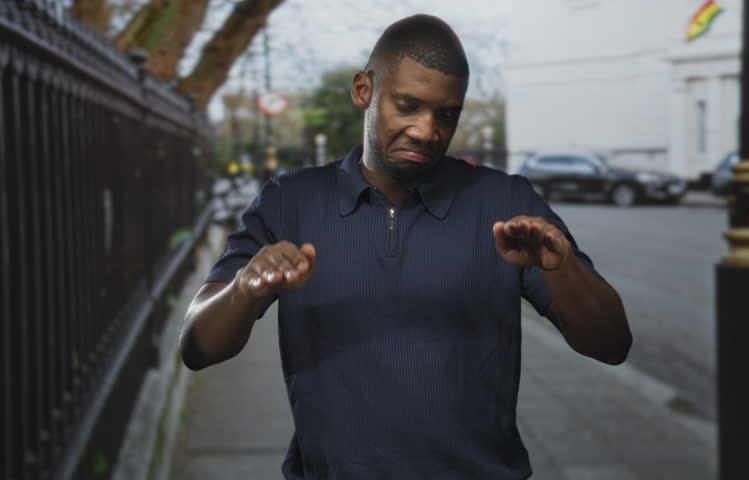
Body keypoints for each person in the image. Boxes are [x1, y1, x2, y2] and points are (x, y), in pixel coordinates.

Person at [180, 14, 631, 479]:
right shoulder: (289, 200)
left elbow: (612, 344)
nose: (426, 130)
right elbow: (198, 347)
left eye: (446, 114)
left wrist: (563, 270)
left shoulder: (505, 201)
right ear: (363, 91)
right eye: (408, 106)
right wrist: (244, 289)